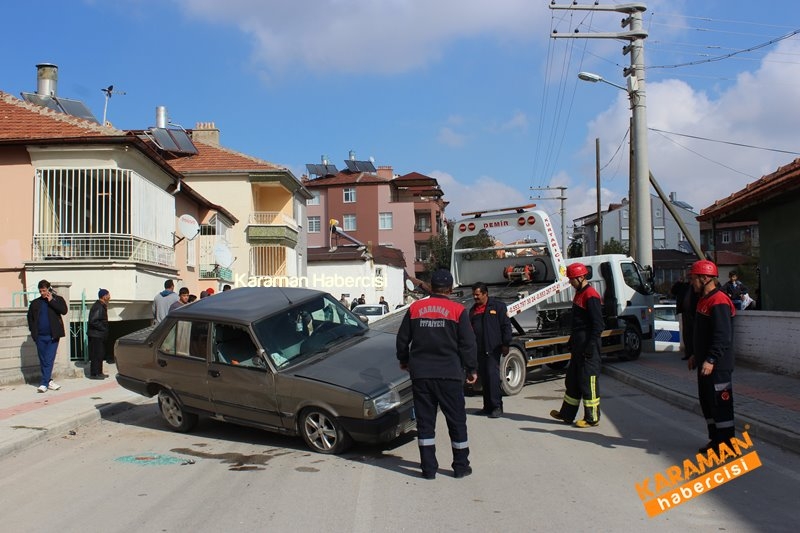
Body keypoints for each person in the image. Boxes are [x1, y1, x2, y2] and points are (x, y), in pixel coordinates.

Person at [396, 269, 478, 479]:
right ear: (450, 289)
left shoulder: (415, 308)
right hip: (449, 374)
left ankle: (428, 469)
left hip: (421, 375)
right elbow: (468, 344)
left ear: (431, 287)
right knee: (456, 421)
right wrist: (471, 369)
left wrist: (404, 360)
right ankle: (461, 467)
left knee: (425, 423)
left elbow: (402, 338)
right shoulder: (458, 310)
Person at [687, 259, 737, 454]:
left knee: (721, 405)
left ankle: (727, 446)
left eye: (694, 279)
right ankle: (716, 441)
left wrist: (711, 359)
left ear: (705, 278)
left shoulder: (719, 301)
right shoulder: (703, 300)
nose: (692, 283)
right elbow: (701, 334)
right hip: (704, 363)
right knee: (707, 403)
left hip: (718, 366)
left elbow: (723, 337)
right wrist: (694, 355)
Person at [550, 262, 604, 428]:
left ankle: (592, 418)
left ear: (581, 277)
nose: (570, 282)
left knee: (588, 383)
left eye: (572, 279)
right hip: (579, 345)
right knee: (572, 380)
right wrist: (572, 341)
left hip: (589, 347)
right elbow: (578, 323)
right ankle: (567, 414)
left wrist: (589, 346)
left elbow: (598, 325)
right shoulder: (579, 293)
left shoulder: (591, 295)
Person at [469, 282, 512, 418]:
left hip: (493, 349)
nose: (475, 297)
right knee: (484, 378)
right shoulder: (473, 310)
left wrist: (506, 344)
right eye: (474, 295)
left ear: (485, 294)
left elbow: (506, 326)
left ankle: (497, 406)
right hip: (479, 349)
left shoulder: (498, 307)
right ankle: (487, 407)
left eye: (477, 294)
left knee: (493, 378)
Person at [26, 280, 68, 393]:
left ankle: (43, 383)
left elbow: (64, 311)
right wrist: (33, 331)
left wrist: (51, 301)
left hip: (53, 336)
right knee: (43, 360)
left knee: (49, 359)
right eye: (40, 291)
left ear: (49, 289)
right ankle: (49, 381)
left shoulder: (57, 299)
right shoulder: (35, 303)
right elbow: (30, 318)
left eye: (44, 290)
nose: (42, 293)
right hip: (40, 336)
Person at [87, 289, 111, 379]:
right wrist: (103, 328)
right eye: (108, 295)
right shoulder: (98, 306)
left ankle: (99, 372)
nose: (109, 296)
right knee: (96, 354)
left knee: (100, 354)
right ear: (104, 296)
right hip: (96, 335)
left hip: (99, 335)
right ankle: (95, 374)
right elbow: (93, 321)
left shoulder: (102, 306)